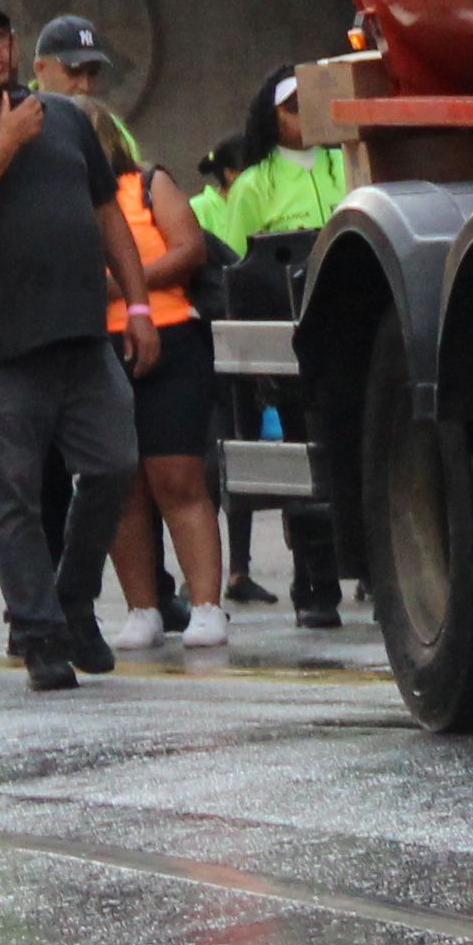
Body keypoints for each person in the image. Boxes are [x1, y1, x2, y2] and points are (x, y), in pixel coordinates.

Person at [0, 0, 154, 692]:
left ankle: (72, 597)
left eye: (1, 38)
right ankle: (41, 633)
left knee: (113, 466)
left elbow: (108, 211)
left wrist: (136, 304)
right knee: (13, 496)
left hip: (83, 335)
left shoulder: (69, 122)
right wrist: (6, 142)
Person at [38, 17, 225, 654]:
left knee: (179, 478)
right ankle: (141, 606)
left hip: (170, 341)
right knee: (119, 487)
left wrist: (125, 283)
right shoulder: (55, 203)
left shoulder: (146, 182)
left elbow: (190, 247)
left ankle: (205, 604)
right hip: (98, 352)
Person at [194, 70, 347, 627]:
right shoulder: (255, 183)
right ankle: (315, 582)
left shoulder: (345, 166)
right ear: (272, 117)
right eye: (291, 107)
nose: (304, 116)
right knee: (304, 456)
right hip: (285, 333)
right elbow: (236, 266)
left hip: (344, 321)